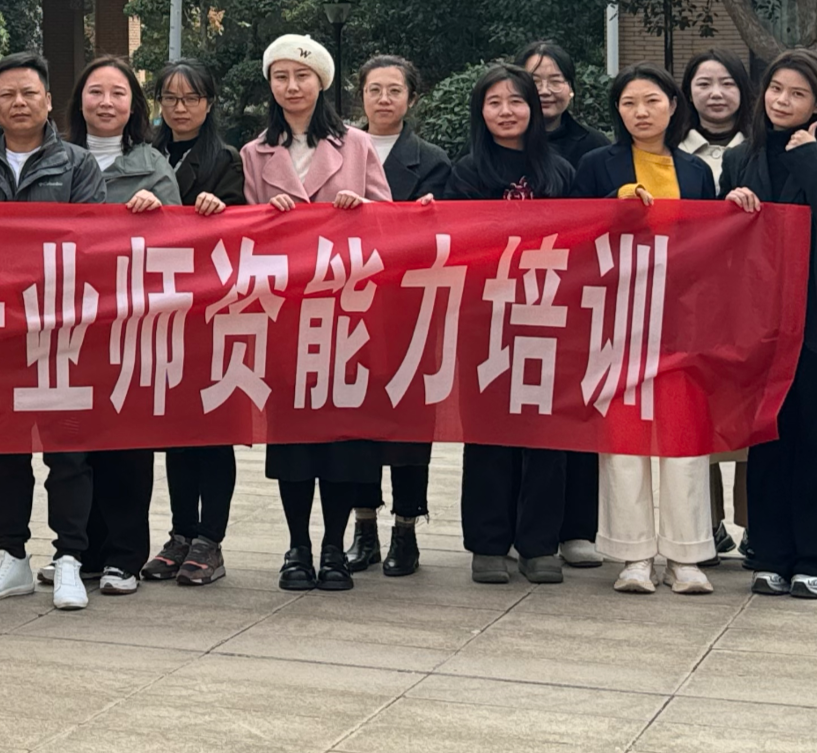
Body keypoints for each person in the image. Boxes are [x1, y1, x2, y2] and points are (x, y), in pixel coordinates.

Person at [216, 35, 390, 592]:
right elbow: (242, 234)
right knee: (292, 438)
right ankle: (296, 545)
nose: (291, 87)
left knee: (341, 437)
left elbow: (391, 222)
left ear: (322, 82)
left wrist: (361, 210)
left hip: (345, 311)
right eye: (281, 77)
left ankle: (335, 545)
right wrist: (266, 215)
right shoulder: (254, 153)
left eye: (302, 76)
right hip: (285, 314)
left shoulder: (357, 145)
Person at [0, 52, 110, 610]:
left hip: (60, 332)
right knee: (5, 453)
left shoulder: (77, 165)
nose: (18, 103)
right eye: (7, 95)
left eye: (28, 93)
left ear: (47, 100)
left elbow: (89, 242)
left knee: (68, 454)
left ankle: (69, 559)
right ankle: (11, 556)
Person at [567, 65, 718, 595]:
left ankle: (687, 555)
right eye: (629, 103)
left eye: (652, 101)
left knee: (683, 435)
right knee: (625, 437)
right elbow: (573, 234)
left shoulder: (697, 171)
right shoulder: (596, 165)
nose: (641, 112)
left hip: (681, 317)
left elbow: (712, 241)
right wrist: (614, 206)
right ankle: (633, 555)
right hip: (619, 314)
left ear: (673, 106)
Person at [721, 48, 817, 600]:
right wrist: (729, 204)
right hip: (760, 320)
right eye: (776, 89)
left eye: (797, 94)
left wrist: (810, 159)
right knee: (768, 441)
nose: (781, 101)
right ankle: (772, 555)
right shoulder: (741, 158)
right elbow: (721, 241)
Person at [445, 64, 577, 585]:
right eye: (494, 102)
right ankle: (488, 542)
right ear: (480, 111)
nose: (506, 112)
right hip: (486, 317)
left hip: (547, 317)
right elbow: (457, 243)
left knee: (548, 433)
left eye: (516, 101)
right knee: (488, 431)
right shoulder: (465, 172)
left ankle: (539, 544)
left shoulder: (561, 172)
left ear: (533, 109)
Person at [65, 55, 180, 596]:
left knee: (126, 443)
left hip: (129, 324)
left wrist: (159, 212)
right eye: (96, 92)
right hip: (68, 321)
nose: (106, 102)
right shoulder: (55, 158)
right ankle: (79, 551)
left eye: (118, 93)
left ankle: (125, 555)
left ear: (133, 105)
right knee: (73, 445)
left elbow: (181, 246)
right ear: (79, 101)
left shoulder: (153, 165)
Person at [346, 54, 452, 578]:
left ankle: (406, 527)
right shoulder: (339, 151)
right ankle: (363, 526)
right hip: (351, 302)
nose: (384, 99)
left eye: (394, 90)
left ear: (412, 98)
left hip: (409, 304)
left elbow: (450, 235)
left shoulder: (432, 160)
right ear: (360, 96)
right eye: (374, 90)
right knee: (355, 416)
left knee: (410, 418)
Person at [143, 58, 244, 587]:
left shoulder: (226, 159)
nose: (180, 108)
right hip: (159, 308)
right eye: (170, 98)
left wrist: (220, 209)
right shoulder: (145, 154)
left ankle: (210, 538)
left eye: (191, 98)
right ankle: (181, 533)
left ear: (209, 103)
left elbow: (247, 228)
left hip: (210, 310)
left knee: (213, 428)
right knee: (176, 429)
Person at [517, 39, 608, 569]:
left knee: (576, 411)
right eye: (535, 80)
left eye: (556, 79)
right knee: (516, 415)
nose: (546, 90)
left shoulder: (594, 148)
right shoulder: (500, 141)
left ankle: (577, 528)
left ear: (572, 88)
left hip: (577, 297)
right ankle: (519, 527)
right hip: (514, 298)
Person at [681, 48, 753, 560]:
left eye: (727, 83)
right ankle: (705, 523)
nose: (716, 94)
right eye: (704, 83)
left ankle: (754, 523)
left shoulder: (761, 149)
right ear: (687, 93)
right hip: (688, 304)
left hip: (748, 301)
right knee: (696, 412)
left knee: (751, 411)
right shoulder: (671, 152)